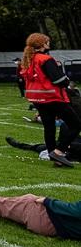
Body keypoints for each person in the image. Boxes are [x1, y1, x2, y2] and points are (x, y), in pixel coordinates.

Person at [21, 33, 81, 168]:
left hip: (37, 98)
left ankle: (55, 157)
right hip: (51, 97)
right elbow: (58, 79)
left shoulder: (29, 59)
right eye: (47, 42)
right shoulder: (45, 59)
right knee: (76, 124)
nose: (49, 43)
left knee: (49, 127)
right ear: (42, 44)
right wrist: (66, 81)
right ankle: (59, 152)